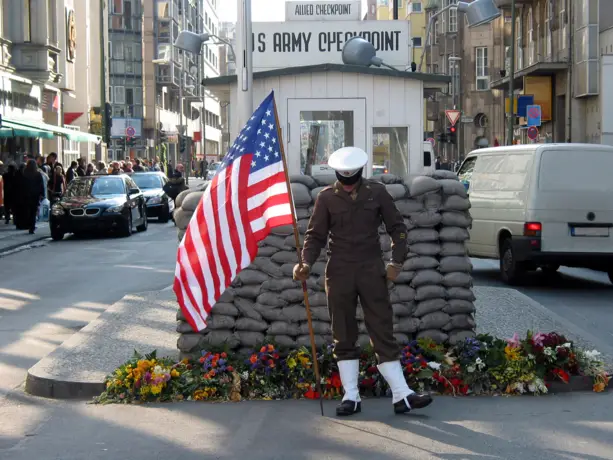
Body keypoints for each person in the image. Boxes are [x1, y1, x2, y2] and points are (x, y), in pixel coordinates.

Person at [294, 146, 433, 417]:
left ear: (359, 174)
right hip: (339, 271)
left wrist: (397, 262)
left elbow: (398, 228)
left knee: (382, 328)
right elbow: (315, 236)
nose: (347, 185)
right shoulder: (326, 198)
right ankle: (351, 396)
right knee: (343, 331)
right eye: (342, 179)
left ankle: (402, 395)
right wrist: (306, 263)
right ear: (337, 175)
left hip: (371, 269)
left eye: (351, 178)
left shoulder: (376, 193)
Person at [21, 159, 45, 234]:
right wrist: (42, 194)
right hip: (35, 195)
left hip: (26, 194)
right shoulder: (37, 174)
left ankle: (27, 224)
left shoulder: (24, 173)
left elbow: (21, 185)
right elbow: (41, 185)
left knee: (27, 210)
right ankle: (32, 227)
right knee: (33, 211)